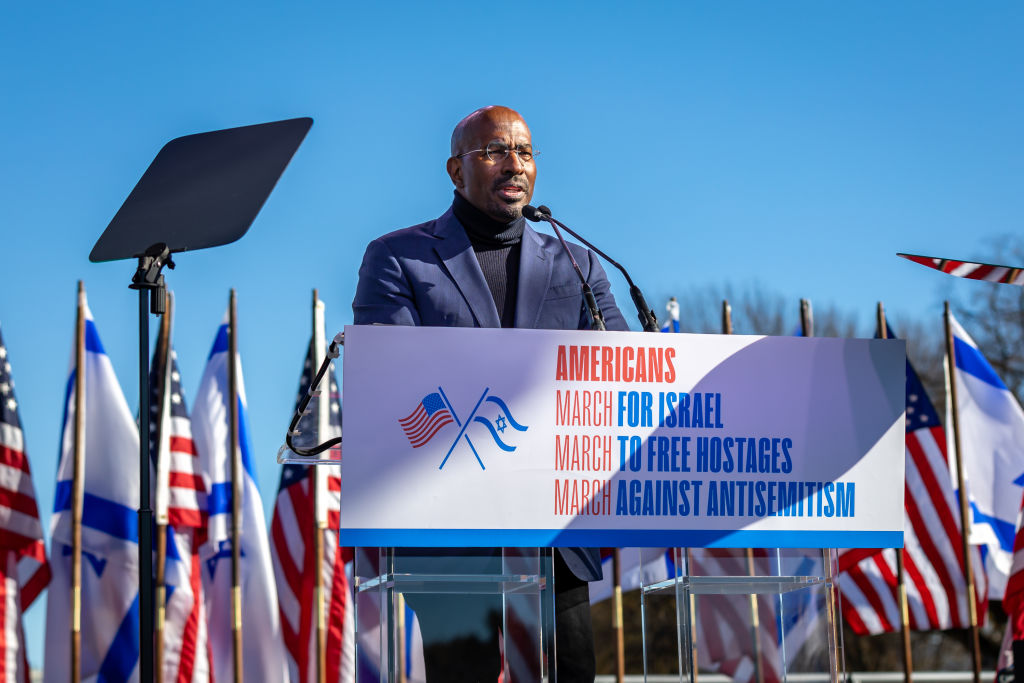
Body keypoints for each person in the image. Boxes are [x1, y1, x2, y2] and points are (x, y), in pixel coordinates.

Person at [353, 105, 628, 682]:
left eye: (525, 152)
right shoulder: (398, 256)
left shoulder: (578, 264)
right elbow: (392, 372)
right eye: (496, 151)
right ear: (456, 171)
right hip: (450, 525)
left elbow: (620, 366)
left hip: (557, 531)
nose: (515, 165)